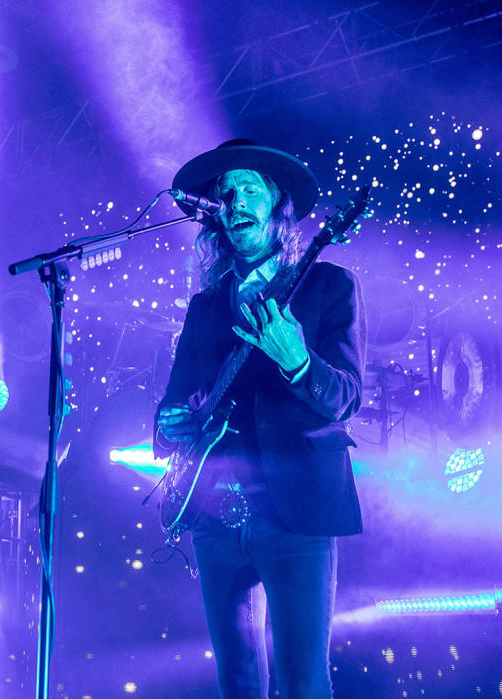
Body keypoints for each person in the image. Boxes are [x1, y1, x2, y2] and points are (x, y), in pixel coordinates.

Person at [153, 139, 366, 698]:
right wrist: (168, 424)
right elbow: (173, 399)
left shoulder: (328, 285)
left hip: (296, 511)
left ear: (278, 207)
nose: (235, 200)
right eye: (225, 192)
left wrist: (298, 360)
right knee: (238, 681)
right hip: (215, 513)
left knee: (301, 681)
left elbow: (346, 396)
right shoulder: (204, 305)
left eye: (250, 189)